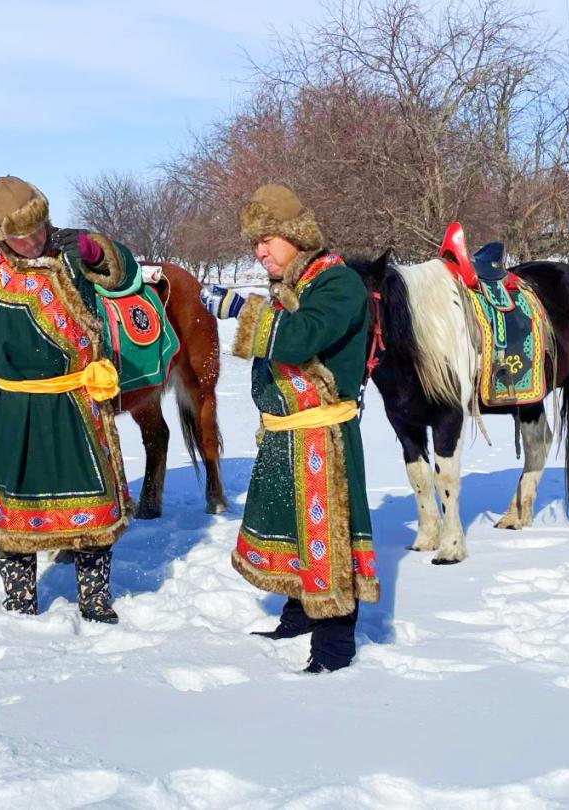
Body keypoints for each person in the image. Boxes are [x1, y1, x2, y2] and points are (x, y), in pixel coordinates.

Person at [0, 175, 141, 623]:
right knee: (16, 514)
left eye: (38, 228)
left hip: (79, 403)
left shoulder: (69, 252)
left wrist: (100, 251)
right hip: (19, 410)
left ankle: (94, 598)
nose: (32, 240)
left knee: (92, 506)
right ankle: (20, 600)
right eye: (19, 234)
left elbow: (125, 271)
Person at [200, 184, 379, 672]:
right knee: (295, 530)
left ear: (297, 237)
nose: (259, 251)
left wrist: (240, 310)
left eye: (268, 239)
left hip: (324, 434)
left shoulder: (338, 284)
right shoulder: (297, 284)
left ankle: (334, 647)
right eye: (255, 242)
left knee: (328, 540)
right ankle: (298, 616)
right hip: (288, 431)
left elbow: (301, 338)